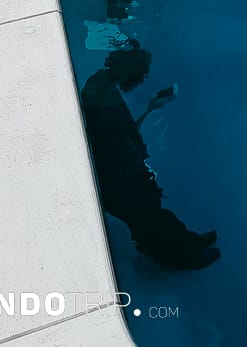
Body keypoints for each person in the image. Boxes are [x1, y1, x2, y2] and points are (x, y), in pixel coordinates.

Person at [81, 41, 220, 269]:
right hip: (119, 180)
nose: (142, 80)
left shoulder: (101, 86)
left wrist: (151, 108)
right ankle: (183, 257)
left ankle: (189, 241)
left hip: (121, 174)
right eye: (141, 75)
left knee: (155, 215)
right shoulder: (104, 107)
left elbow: (125, 134)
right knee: (149, 222)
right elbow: (121, 141)